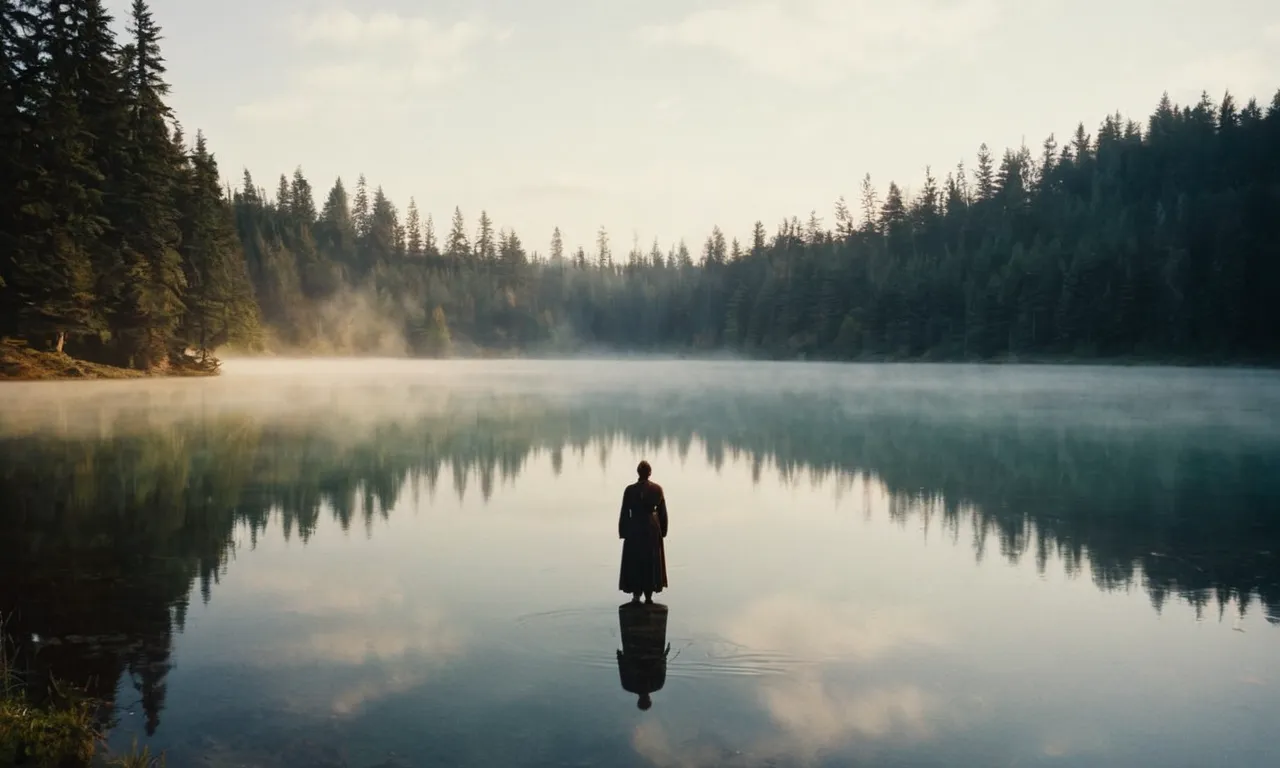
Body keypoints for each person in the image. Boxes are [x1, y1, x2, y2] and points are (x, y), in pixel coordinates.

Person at [618, 460, 668, 603]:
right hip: (652, 529)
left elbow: (624, 513)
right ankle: (649, 595)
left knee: (635, 560)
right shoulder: (657, 489)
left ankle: (636, 594)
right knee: (651, 560)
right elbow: (663, 513)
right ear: (650, 473)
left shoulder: (629, 490)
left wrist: (623, 532)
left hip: (635, 528)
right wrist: (663, 531)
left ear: (638, 473)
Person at [616, 601, 670, 710]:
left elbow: (662, 664)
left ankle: (639, 598)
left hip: (651, 648)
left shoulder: (657, 685)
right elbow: (623, 668)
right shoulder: (628, 686)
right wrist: (620, 656)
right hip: (634, 648)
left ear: (649, 700)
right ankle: (646, 597)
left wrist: (665, 653)